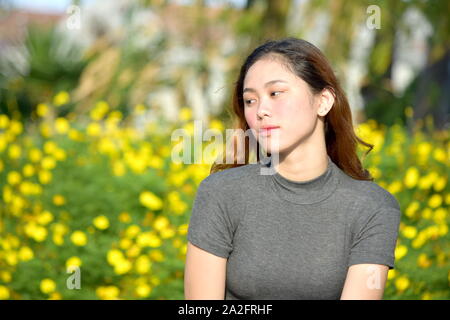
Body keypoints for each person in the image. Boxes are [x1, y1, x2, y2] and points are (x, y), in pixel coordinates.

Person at [184, 37, 401, 300]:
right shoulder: (221, 193)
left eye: (275, 93)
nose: (261, 110)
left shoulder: (373, 207)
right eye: (250, 100)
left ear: (323, 101)